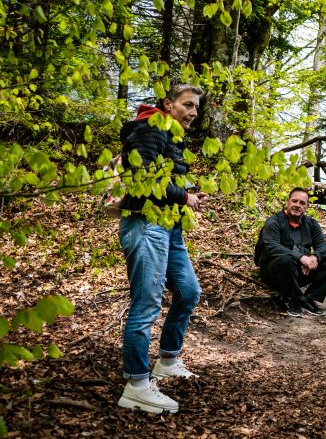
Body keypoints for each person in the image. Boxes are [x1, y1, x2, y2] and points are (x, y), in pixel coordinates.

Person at [116, 84, 206, 414]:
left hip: (169, 227)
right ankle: (136, 384)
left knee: (187, 292)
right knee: (147, 303)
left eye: (197, 107)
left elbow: (164, 177)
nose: (194, 112)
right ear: (168, 104)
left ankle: (167, 360)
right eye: (187, 105)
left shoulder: (169, 134)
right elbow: (143, 176)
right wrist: (185, 197)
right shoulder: (148, 126)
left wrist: (186, 195)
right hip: (145, 223)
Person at [256, 188, 326, 317]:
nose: (297, 205)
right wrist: (301, 258)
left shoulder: (311, 224)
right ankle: (296, 300)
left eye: (302, 203)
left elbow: (323, 246)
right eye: (294, 201)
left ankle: (309, 298)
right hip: (275, 272)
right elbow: (272, 247)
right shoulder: (274, 221)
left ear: (307, 207)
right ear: (287, 203)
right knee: (286, 259)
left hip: (300, 272)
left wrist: (315, 257)